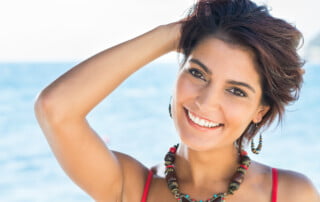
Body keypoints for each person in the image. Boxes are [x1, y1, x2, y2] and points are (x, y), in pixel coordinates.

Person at [35, 0, 319, 201]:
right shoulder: (131, 189)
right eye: (197, 72)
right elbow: (55, 108)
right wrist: (171, 34)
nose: (206, 102)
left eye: (236, 90)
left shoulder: (291, 194)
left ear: (260, 111)